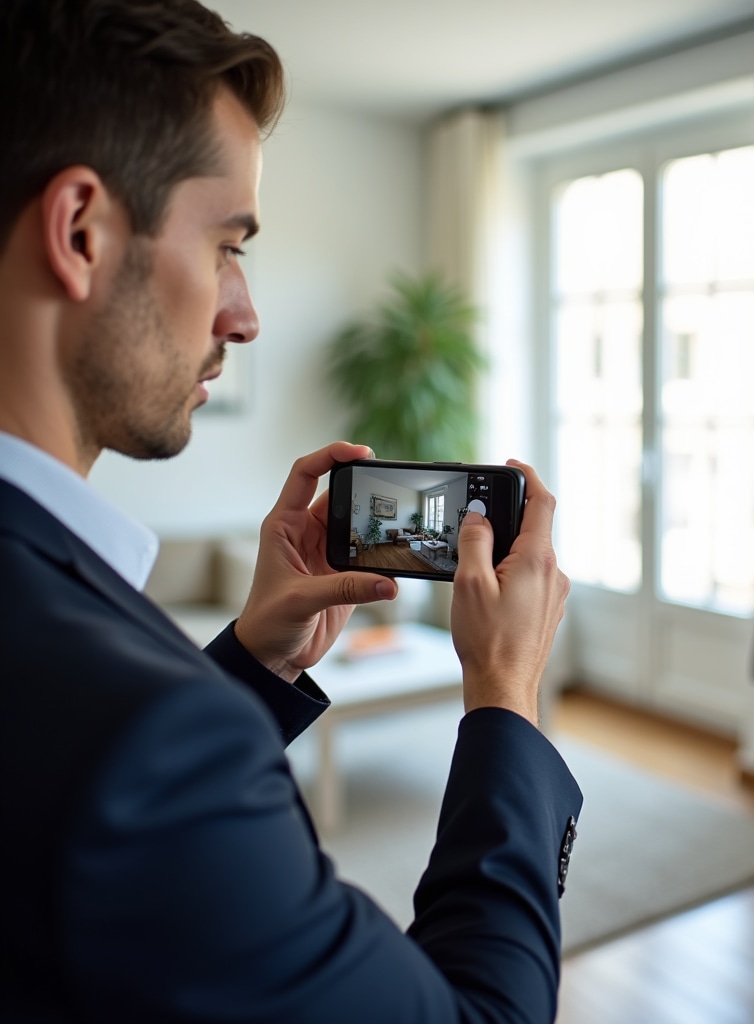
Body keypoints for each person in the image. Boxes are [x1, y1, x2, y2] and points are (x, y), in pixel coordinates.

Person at [0, 2, 582, 1021]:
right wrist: (504, 692)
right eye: (228, 244)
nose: (246, 313)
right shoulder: (153, 737)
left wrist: (253, 665)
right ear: (81, 231)